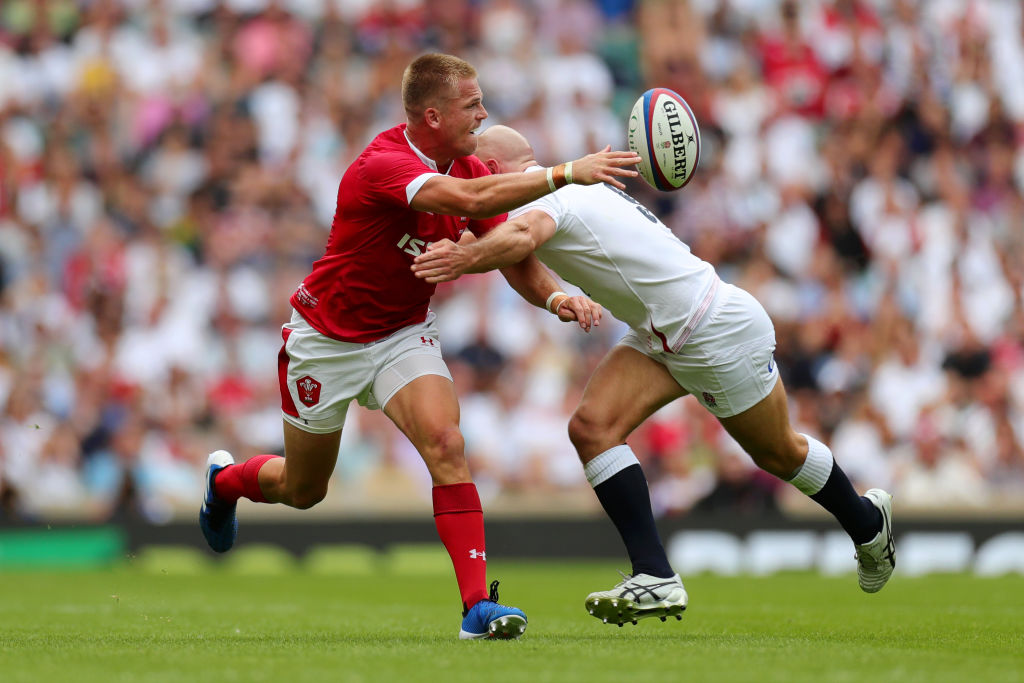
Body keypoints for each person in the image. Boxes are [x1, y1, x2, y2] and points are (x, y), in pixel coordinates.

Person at [198, 55, 641, 640]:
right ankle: (225, 483)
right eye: (472, 104)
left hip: (402, 336)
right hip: (325, 341)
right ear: (432, 115)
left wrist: (558, 299)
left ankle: (477, 607)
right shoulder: (383, 164)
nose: (483, 113)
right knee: (303, 490)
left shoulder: (470, 163)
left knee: (446, 443)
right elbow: (469, 202)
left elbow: (510, 250)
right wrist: (563, 172)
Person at [410, 125, 895, 627]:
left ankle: (866, 523)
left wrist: (464, 258)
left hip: (712, 328)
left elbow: (520, 237)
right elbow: (513, 250)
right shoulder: (561, 192)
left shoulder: (554, 199)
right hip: (662, 332)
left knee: (778, 452)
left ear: (489, 172)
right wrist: (550, 294)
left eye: (469, 172)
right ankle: (655, 575)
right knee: (591, 428)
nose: (466, 184)